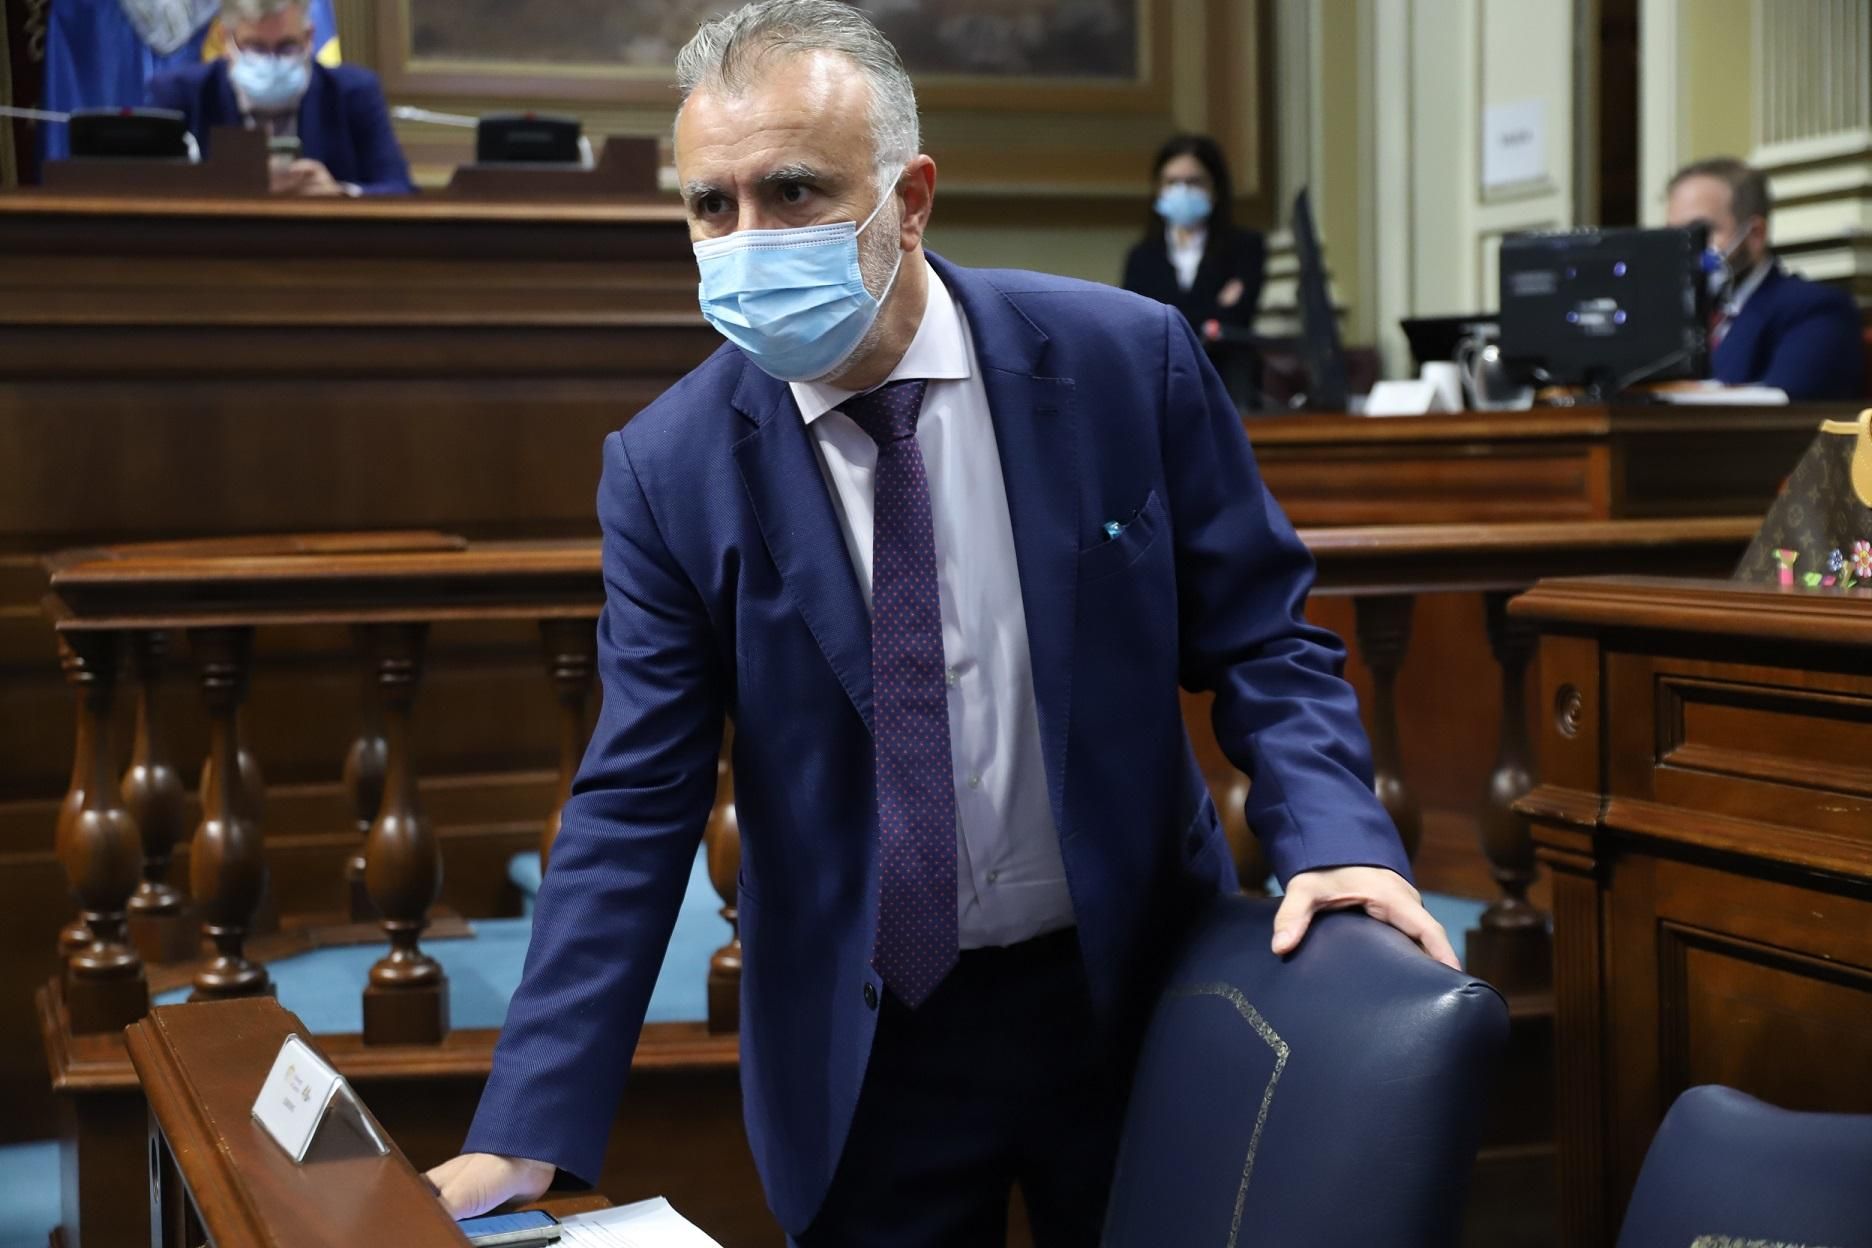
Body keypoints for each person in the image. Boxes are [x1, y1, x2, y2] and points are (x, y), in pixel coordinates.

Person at [427, 2, 1453, 1242]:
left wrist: (1337, 836)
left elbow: (1262, 639)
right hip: (869, 1044)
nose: (746, 239)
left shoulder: (1128, 363)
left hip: (1130, 995)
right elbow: (635, 799)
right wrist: (524, 1121)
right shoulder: (669, 469)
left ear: (909, 198)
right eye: (712, 206)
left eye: (794, 192)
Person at [144, 0, 413, 196]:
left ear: (309, 38)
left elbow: (400, 190)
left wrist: (339, 195)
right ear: (227, 41)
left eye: (287, 46)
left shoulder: (353, 92)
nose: (271, 61)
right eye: (256, 48)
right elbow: (144, 190)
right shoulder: (179, 93)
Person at [1665, 156, 1862, 400]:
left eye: (1700, 231)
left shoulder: (1816, 309)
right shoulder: (1674, 315)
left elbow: (1785, 406)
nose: (1686, 247)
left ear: (1755, 234)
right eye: (1676, 234)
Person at [1121, 133, 1267, 334]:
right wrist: (1215, 311)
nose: (1182, 191)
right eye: (1172, 182)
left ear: (1215, 188)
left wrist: (1170, 319)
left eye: (1194, 182)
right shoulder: (1141, 257)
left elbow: (1238, 319)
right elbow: (1138, 323)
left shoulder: (1245, 246)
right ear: (1158, 188)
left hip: (1223, 362)